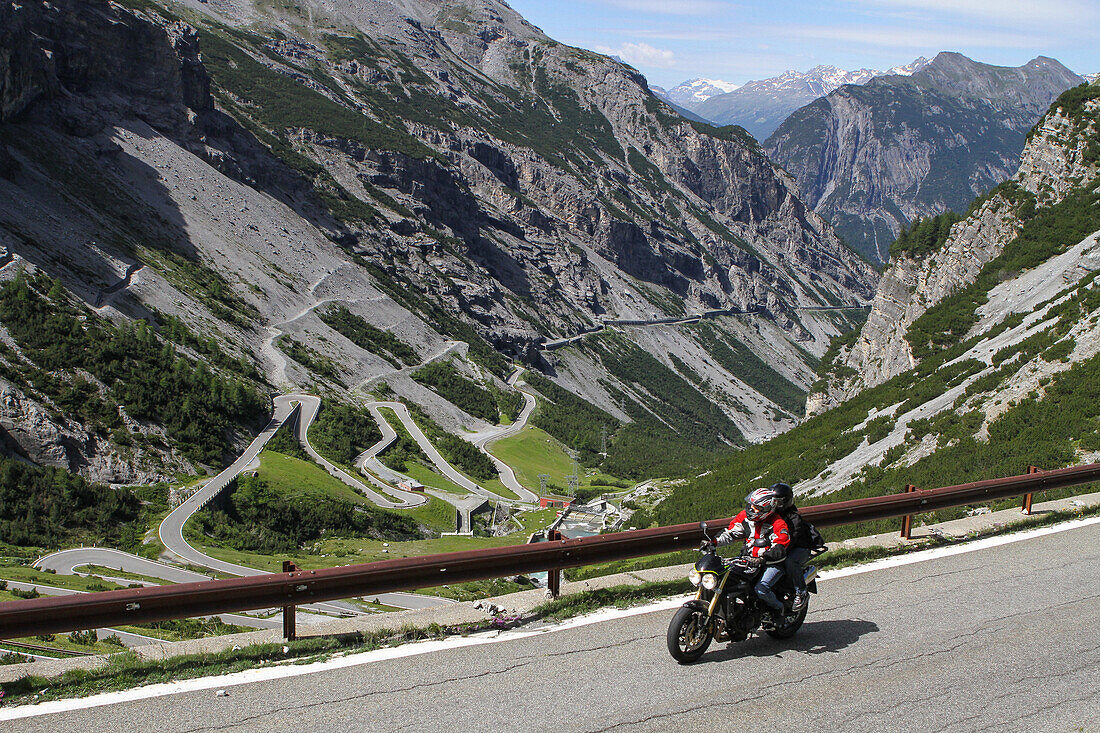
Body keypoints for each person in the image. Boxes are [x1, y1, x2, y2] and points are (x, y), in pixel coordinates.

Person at [716, 486, 791, 623]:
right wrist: (713, 542)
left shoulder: (777, 523)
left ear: (766, 509)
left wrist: (764, 558)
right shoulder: (745, 517)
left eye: (756, 508)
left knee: (761, 589)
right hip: (748, 560)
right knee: (727, 579)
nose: (752, 509)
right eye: (751, 505)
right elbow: (731, 532)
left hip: (771, 564)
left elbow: (781, 545)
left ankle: (779, 609)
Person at [770, 481, 822, 612]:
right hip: (780, 547)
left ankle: (801, 592)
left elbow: (791, 539)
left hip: (799, 547)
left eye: (778, 502)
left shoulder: (793, 517)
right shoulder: (770, 515)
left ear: (785, 501)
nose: (775, 505)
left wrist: (777, 550)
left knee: (790, 561)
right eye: (773, 501)